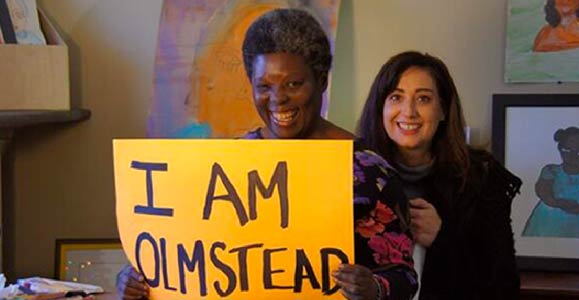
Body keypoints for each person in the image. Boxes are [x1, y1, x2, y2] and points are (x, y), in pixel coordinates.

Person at [117, 9, 418, 300]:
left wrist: (375, 288)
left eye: (293, 84)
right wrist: (137, 281)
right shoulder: (226, 166)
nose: (278, 99)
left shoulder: (370, 173)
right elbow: (183, 261)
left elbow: (404, 277)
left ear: (321, 81)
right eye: (264, 86)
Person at [357, 51, 522, 299]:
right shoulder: (356, 174)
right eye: (396, 97)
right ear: (380, 107)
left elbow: (504, 284)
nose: (408, 111)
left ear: (443, 110)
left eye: (423, 99)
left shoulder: (481, 178)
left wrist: (443, 237)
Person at [523, 127, 579, 238]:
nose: (574, 156)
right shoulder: (551, 171)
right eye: (568, 150)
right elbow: (542, 191)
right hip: (551, 214)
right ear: (560, 149)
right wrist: (557, 203)